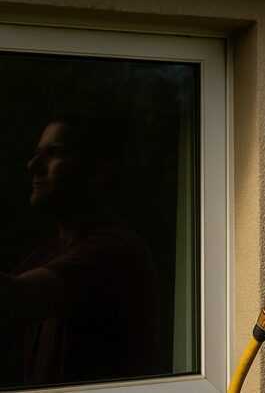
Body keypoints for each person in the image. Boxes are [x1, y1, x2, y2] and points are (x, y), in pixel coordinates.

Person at [1, 115, 160, 387]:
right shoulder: (45, 254)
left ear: (98, 170)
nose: (33, 166)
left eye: (54, 153)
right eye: (36, 154)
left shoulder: (116, 254)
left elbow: (14, 298)